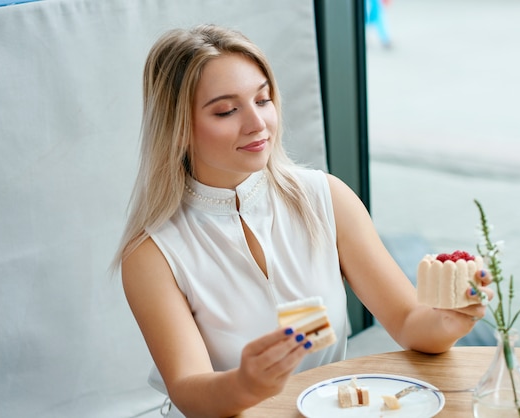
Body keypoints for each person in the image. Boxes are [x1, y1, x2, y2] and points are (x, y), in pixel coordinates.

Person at [114, 24, 493, 417]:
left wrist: (450, 318)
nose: (257, 123)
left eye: (262, 100)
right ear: (177, 129)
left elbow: (410, 321)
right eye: (227, 110)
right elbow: (189, 392)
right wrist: (244, 384)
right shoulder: (151, 254)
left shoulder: (326, 198)